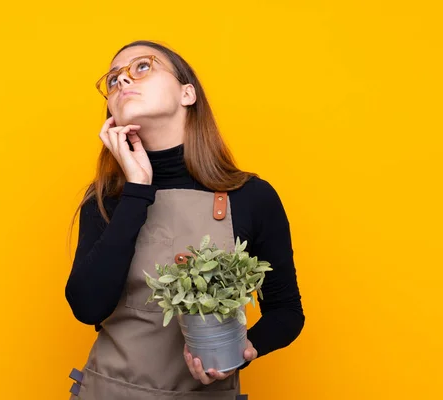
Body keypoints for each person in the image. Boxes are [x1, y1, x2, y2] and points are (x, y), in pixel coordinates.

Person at [65, 40, 305, 400]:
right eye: (113, 80)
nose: (123, 82)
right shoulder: (107, 200)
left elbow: (286, 312)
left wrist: (244, 350)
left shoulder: (251, 197)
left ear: (187, 93)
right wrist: (136, 190)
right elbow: (87, 307)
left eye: (142, 67)